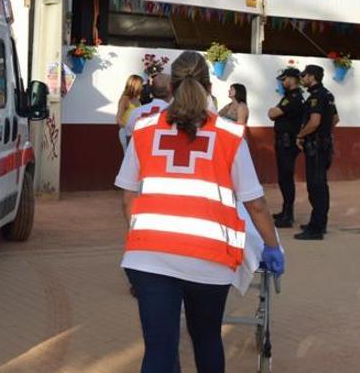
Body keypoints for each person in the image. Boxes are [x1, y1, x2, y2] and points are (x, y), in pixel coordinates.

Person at [115, 51, 284, 373]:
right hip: (209, 258)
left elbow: (128, 198)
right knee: (206, 339)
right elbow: (256, 204)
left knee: (159, 351)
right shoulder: (229, 135)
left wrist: (139, 237)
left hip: (148, 257)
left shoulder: (145, 129)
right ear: (208, 85)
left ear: (173, 84)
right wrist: (272, 247)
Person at [294, 64, 339, 241]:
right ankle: (319, 222)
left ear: (312, 77)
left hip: (316, 147)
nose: (302, 79)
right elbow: (335, 118)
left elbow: (314, 122)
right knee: (320, 185)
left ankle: (316, 229)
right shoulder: (327, 94)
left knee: (316, 186)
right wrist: (326, 134)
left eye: (304, 76)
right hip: (324, 145)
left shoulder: (316, 96)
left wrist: (300, 135)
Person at [267, 68, 305, 227]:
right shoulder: (289, 97)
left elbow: (272, 114)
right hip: (284, 141)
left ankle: (288, 215)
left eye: (285, 79)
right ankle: (286, 211)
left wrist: (272, 111)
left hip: (287, 143)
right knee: (284, 178)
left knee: (286, 178)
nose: (283, 82)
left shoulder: (293, 98)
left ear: (292, 79)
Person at [117, 74, 143, 151]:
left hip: (136, 133)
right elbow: (118, 119)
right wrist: (129, 128)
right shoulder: (125, 99)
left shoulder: (137, 99)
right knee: (128, 158)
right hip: (126, 133)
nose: (142, 87)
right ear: (136, 85)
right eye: (141, 85)